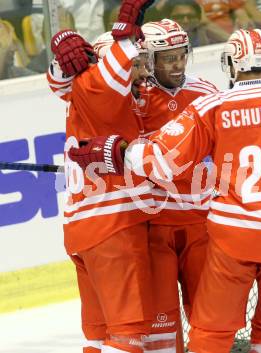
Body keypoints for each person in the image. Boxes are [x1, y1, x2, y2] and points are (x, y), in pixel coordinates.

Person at [67, 27, 261, 352]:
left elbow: (160, 161)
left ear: (231, 63)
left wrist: (119, 151)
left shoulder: (214, 105)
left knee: (211, 333)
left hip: (237, 237)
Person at [46, 1, 158, 352]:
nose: (139, 71)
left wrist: (60, 50)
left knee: (99, 334)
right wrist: (127, 25)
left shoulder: (78, 89)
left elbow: (58, 80)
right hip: (113, 229)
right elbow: (113, 66)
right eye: (134, 64)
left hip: (82, 231)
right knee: (127, 337)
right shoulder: (100, 88)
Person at [135, 18, 217, 352]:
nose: (178, 63)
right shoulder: (135, 100)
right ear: (149, 60)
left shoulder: (206, 94)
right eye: (168, 57)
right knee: (161, 326)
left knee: (208, 318)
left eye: (182, 55)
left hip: (200, 222)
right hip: (154, 224)